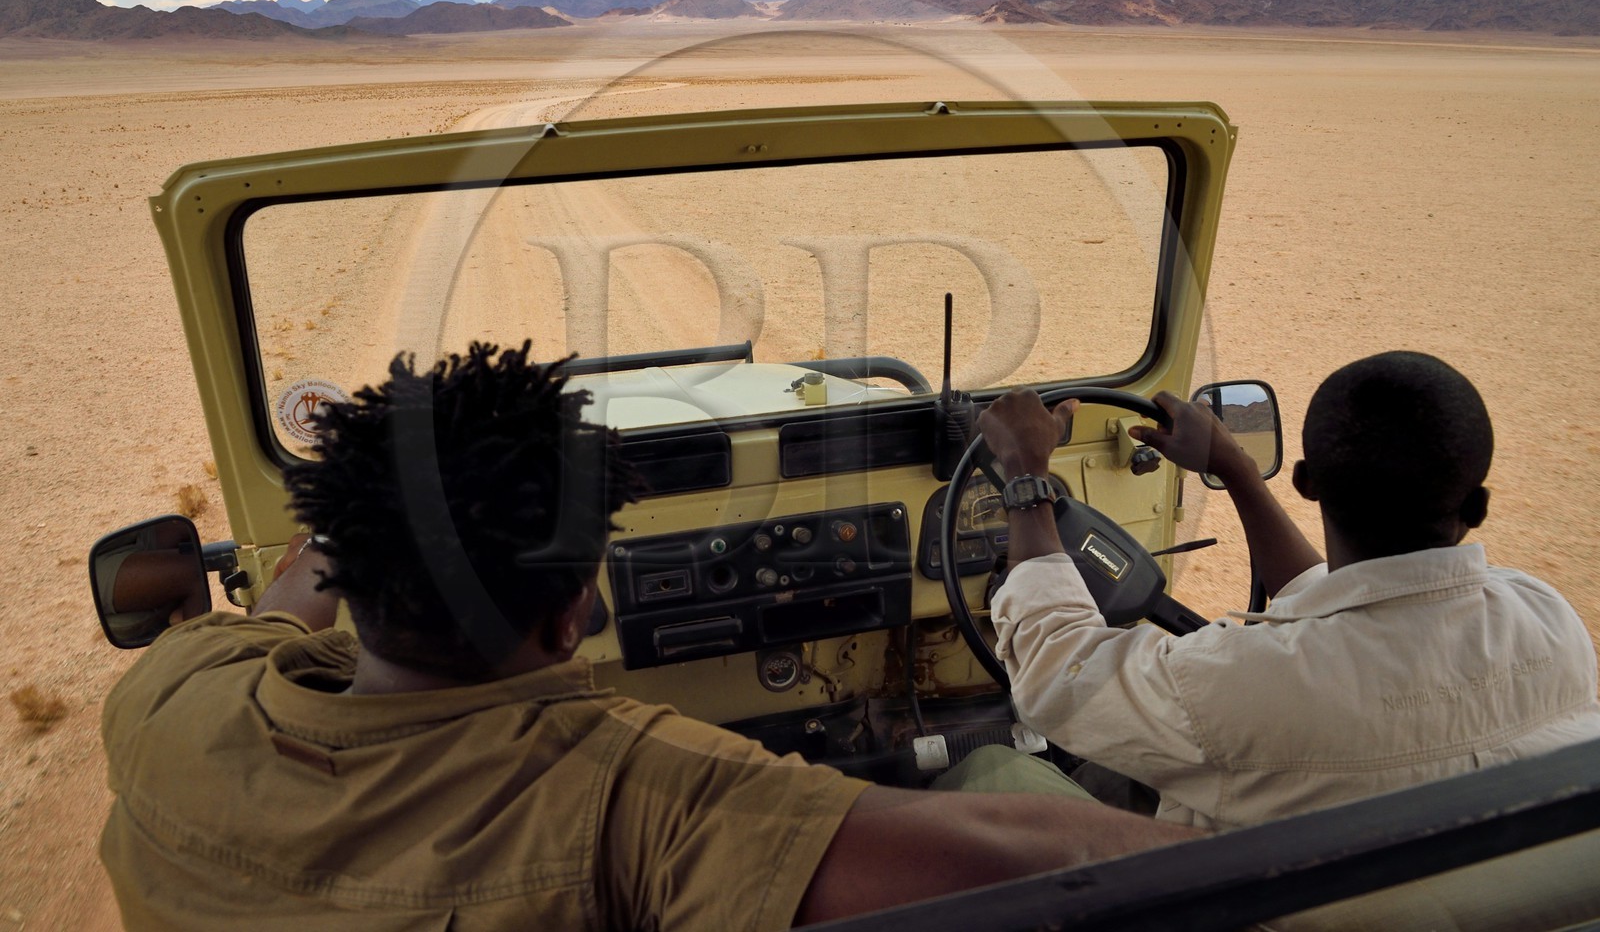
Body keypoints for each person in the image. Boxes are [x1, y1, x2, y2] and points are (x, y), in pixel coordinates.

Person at [100, 341, 1197, 932]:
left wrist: (340, 534)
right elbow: (1038, 857)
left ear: (343, 561)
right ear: (580, 602)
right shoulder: (634, 799)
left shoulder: (174, 691)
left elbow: (285, 600)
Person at [977, 350, 1600, 830]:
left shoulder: (1237, 688)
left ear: (1306, 482)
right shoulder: (1549, 616)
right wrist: (1236, 470)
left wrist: (1028, 479)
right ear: (1477, 506)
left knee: (989, 770)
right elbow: (1354, 602)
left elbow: (1055, 677)